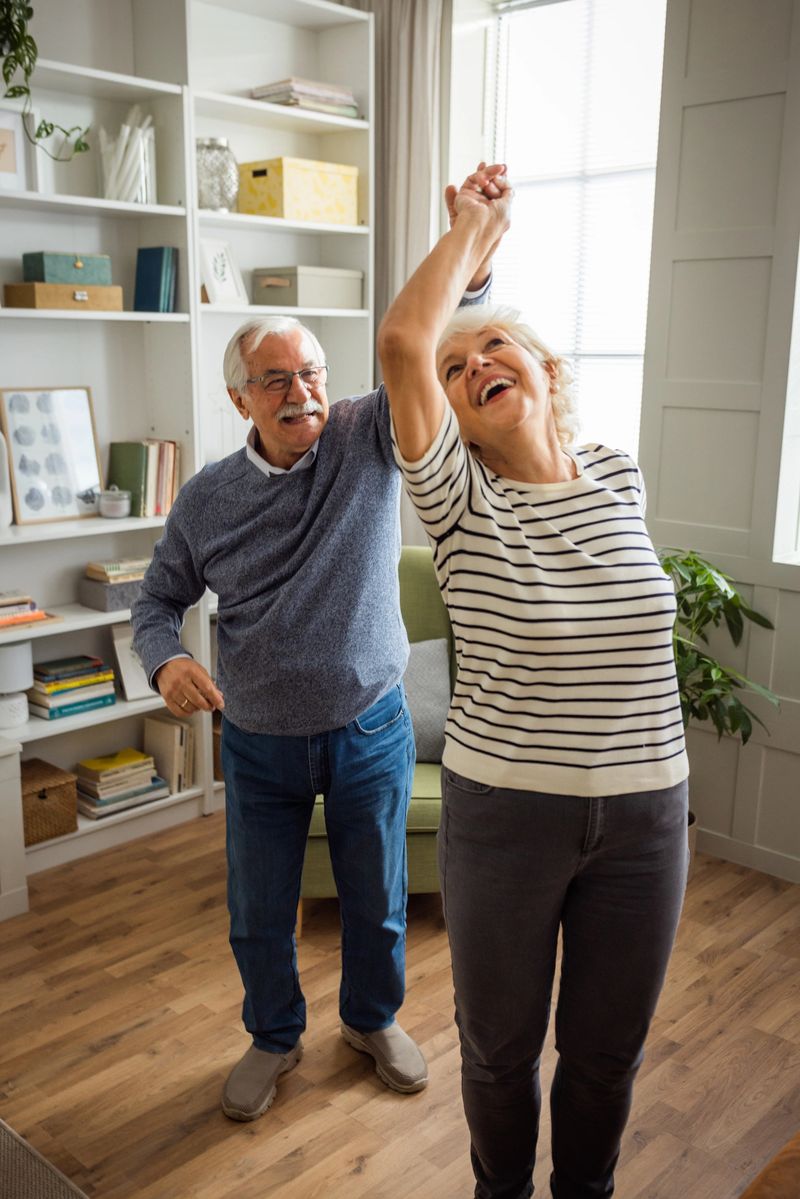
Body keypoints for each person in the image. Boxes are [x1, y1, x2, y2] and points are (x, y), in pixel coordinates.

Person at [130, 168, 502, 1124]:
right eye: (275, 380)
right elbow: (158, 602)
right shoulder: (208, 497)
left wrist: (475, 253)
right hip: (257, 739)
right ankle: (274, 1034)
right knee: (259, 911)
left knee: (377, 899)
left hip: (370, 724)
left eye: (311, 375)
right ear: (239, 396)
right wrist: (168, 660)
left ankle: (372, 1021)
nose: (301, 393)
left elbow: (427, 351)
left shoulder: (363, 435)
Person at [378, 169, 690, 1198]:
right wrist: (471, 229)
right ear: (450, 415)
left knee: (605, 1057)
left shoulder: (617, 472)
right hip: (508, 815)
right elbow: (399, 347)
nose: (473, 366)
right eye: (456, 365)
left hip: (647, 814)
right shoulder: (457, 502)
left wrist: (480, 255)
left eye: (494, 346)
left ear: (545, 369)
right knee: (499, 1054)